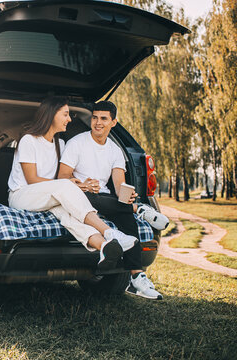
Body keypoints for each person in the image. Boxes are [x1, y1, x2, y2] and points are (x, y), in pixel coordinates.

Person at [7, 96, 138, 272]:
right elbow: (32, 180)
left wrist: (82, 185)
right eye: (66, 114)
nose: (70, 119)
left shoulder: (60, 144)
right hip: (22, 195)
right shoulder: (29, 140)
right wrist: (70, 185)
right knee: (64, 186)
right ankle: (109, 232)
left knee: (68, 216)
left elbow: (63, 181)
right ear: (52, 115)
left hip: (47, 197)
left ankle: (105, 247)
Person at [58, 100, 166, 300]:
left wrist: (127, 195)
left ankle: (137, 277)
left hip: (105, 197)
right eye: (95, 118)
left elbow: (118, 185)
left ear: (113, 122)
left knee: (126, 218)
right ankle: (138, 209)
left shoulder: (115, 151)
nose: (98, 123)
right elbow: (62, 177)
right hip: (79, 194)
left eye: (103, 119)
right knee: (107, 202)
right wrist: (83, 184)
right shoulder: (77, 143)